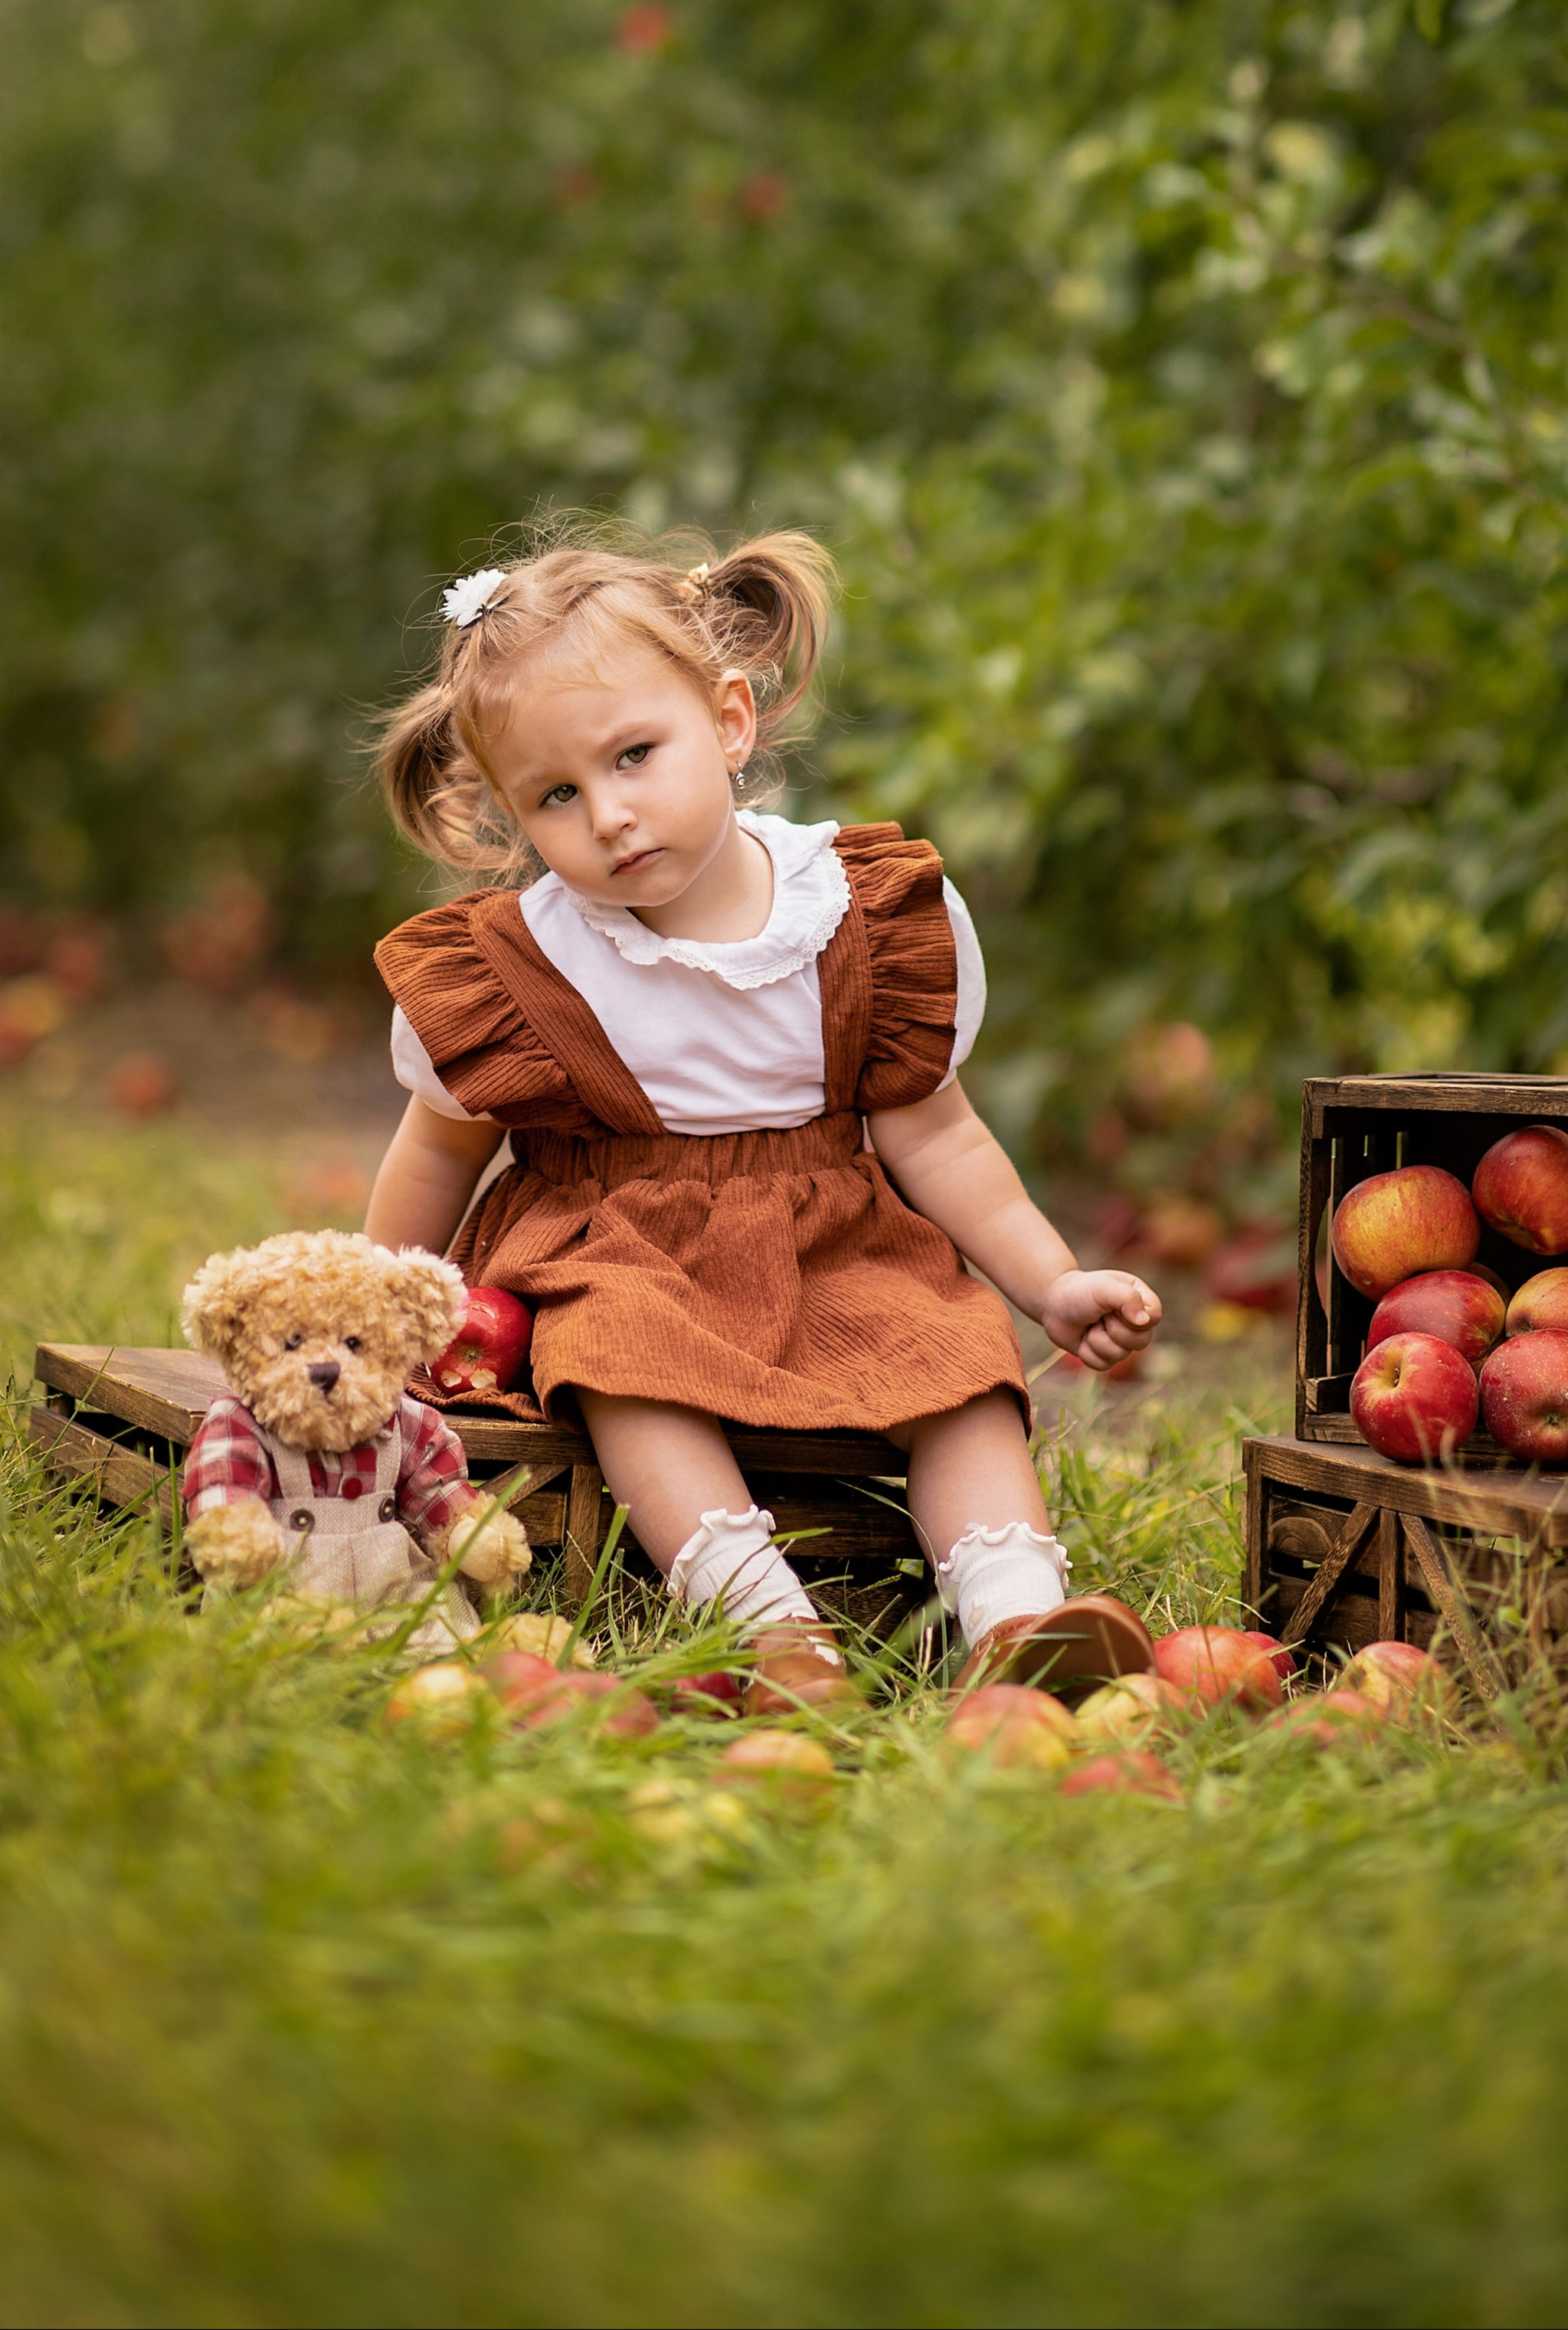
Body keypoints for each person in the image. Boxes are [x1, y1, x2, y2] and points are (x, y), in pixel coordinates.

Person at [362, 528, 1162, 1695]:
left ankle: (1017, 1626)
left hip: (836, 1244)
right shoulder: (524, 964)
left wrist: (1049, 1283)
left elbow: (935, 1131)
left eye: (637, 754)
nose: (611, 815)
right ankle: (765, 1625)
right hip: (618, 1245)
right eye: (557, 796)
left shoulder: (857, 914)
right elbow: (436, 1146)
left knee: (961, 1369)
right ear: (512, 815)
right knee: (623, 1365)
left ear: (729, 720)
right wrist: (366, 1312)